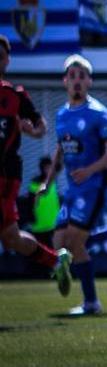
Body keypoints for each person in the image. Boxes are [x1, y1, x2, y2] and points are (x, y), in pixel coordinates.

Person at [43, 54, 107, 315]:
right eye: (72, 76)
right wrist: (48, 180)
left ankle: (91, 303)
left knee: (74, 245)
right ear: (65, 81)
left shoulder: (98, 113)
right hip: (73, 189)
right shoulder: (62, 115)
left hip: (95, 187)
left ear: (89, 81)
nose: (77, 81)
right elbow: (61, 149)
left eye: (81, 76)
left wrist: (89, 170)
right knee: (59, 243)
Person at [0, 36, 59, 278]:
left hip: (6, 174)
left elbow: (42, 126)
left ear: (8, 60)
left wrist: (31, 130)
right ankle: (56, 261)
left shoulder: (15, 96)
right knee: (11, 238)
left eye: (0, 56)